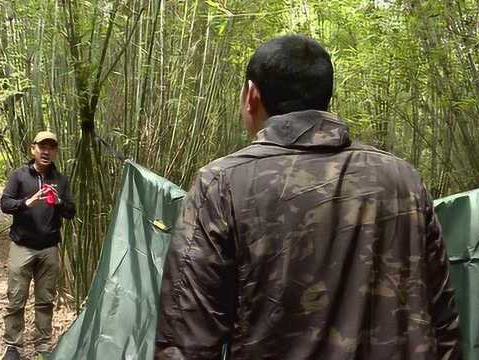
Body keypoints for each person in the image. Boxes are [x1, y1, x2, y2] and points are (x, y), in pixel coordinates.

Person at [155, 35, 459, 359]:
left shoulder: (221, 185)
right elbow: (443, 326)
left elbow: (186, 343)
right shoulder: (403, 180)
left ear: (251, 95)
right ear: (325, 97)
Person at [0, 131, 76, 360]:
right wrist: (27, 202)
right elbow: (5, 203)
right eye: (42, 146)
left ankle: (43, 346)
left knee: (45, 300)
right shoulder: (20, 176)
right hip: (22, 246)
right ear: (33, 148)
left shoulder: (60, 180)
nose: (46, 151)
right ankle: (13, 346)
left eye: (51, 147)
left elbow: (71, 212)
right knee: (16, 298)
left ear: (56, 152)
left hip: (49, 248)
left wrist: (59, 201)